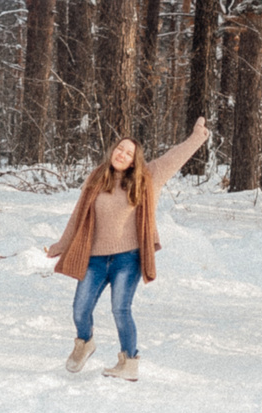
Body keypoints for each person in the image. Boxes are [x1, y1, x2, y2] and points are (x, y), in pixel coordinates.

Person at [42, 117, 211, 381]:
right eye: (119, 149)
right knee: (80, 308)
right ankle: (84, 343)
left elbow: (173, 158)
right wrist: (61, 245)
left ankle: (129, 361)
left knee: (121, 309)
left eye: (128, 153)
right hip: (95, 258)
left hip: (127, 258)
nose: (121, 154)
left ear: (134, 160)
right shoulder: (97, 177)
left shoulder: (147, 178)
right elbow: (78, 215)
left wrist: (196, 137)